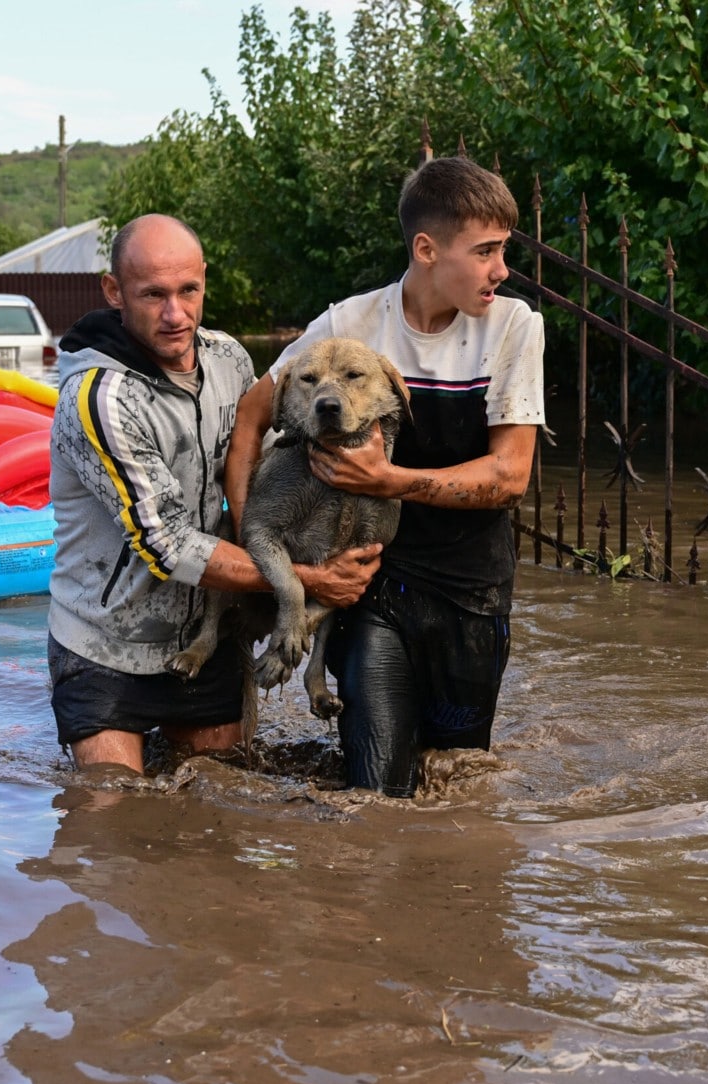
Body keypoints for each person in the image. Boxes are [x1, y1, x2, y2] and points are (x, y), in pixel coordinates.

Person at [226, 157, 543, 798]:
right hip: (373, 587)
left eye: (502, 250)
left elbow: (510, 478)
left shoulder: (515, 326)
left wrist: (387, 480)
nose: (501, 270)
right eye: (485, 252)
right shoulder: (350, 326)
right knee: (376, 792)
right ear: (427, 249)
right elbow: (249, 423)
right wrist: (256, 551)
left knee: (454, 784)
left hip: (472, 593)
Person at [47, 214, 382, 773]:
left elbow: (274, 460)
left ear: (204, 280)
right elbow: (169, 547)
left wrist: (368, 478)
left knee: (218, 809)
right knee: (105, 819)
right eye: (153, 295)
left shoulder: (229, 358)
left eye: (188, 290)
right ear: (114, 292)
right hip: (105, 645)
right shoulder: (100, 400)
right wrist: (311, 580)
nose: (175, 314)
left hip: (210, 629)